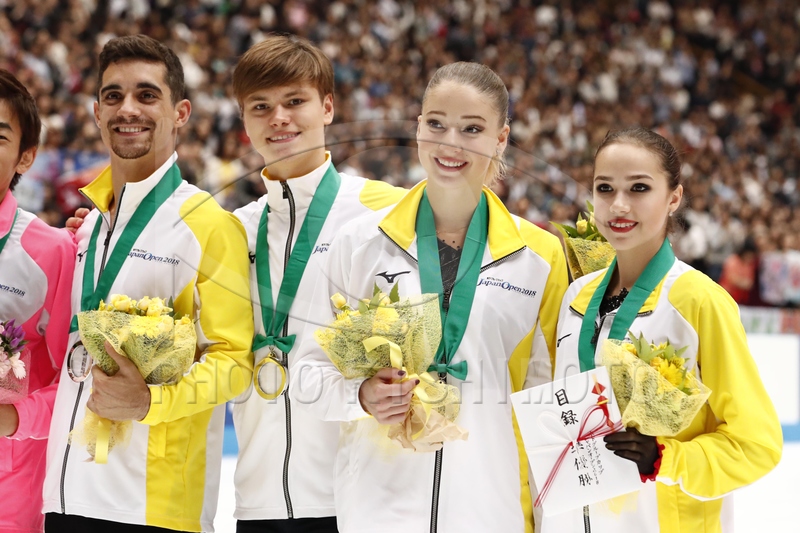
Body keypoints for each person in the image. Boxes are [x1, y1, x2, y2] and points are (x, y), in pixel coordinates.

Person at [291, 62, 568, 532]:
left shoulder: (539, 256)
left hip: (492, 509)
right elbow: (306, 376)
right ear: (417, 127)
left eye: (472, 129)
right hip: (378, 509)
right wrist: (361, 395)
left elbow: (549, 400)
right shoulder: (358, 243)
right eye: (436, 123)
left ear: (501, 139)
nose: (450, 143)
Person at [42, 35, 254, 532]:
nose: (127, 109)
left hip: (151, 506)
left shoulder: (209, 225)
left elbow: (235, 363)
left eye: (146, 95)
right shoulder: (91, 226)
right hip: (67, 494)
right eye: (113, 96)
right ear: (96, 112)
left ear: (180, 112)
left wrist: (150, 402)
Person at [548, 127, 782, 532]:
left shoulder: (698, 301)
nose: (618, 205)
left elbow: (756, 444)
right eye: (605, 188)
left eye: (639, 188)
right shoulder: (576, 297)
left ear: (673, 197)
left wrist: (664, 459)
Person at [229, 34, 405, 533]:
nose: (278, 118)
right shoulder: (234, 228)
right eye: (260, 106)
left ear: (328, 107)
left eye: (295, 101)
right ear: (244, 123)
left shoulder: (385, 210)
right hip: (256, 500)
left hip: (356, 499)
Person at [0, 69, 75, 533]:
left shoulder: (50, 249)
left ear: (25, 157)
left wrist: (12, 419)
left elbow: (75, 379)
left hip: (13, 494)